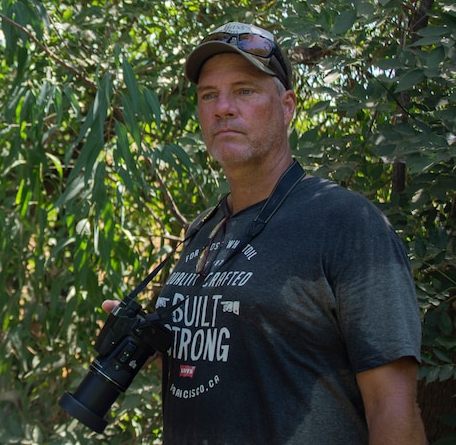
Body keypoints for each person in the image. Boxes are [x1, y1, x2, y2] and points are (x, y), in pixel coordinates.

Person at [103, 22, 427, 444]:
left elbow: (392, 406)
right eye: (208, 95)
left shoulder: (346, 224)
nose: (223, 107)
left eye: (244, 90)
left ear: (287, 106)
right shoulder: (204, 230)